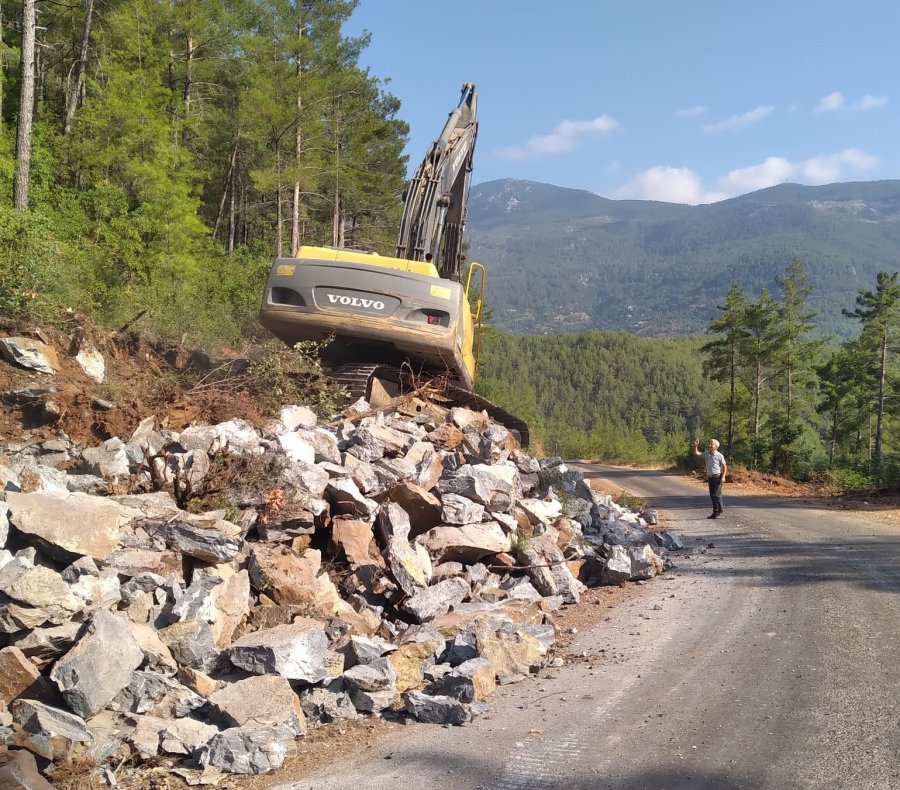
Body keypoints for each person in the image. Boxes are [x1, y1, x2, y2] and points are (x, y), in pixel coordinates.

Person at [692, 438, 727, 518]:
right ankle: (715, 513)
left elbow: (724, 467)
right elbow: (696, 453)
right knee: (712, 495)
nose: (709, 445)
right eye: (709, 443)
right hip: (710, 477)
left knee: (717, 495)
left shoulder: (719, 455)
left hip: (717, 477)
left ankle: (720, 512)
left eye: (711, 444)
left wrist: (723, 477)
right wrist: (696, 446)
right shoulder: (707, 454)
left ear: (716, 446)